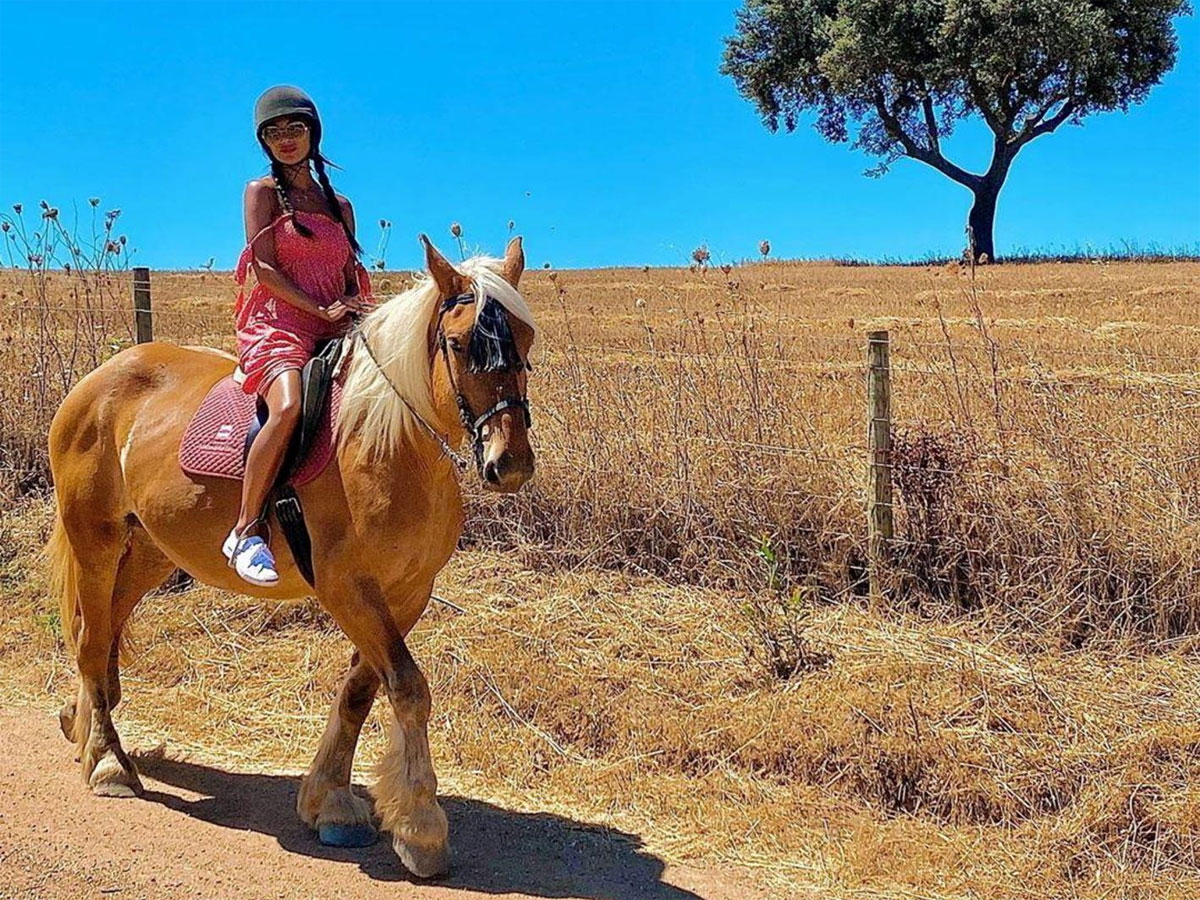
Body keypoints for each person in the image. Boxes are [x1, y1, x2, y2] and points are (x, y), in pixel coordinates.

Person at [224, 85, 372, 585]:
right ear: (263, 141)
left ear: (313, 133)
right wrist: (318, 307)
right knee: (287, 406)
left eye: (295, 128)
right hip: (279, 323)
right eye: (275, 132)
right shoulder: (261, 193)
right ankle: (247, 529)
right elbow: (264, 268)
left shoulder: (340, 205)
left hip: (336, 323)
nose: (286, 139)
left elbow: (350, 272)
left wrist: (354, 306)